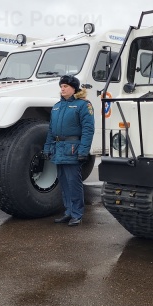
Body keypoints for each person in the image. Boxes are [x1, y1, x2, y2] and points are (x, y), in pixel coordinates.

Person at [43, 75, 95, 226]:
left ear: (74, 88)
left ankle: (77, 214)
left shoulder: (83, 105)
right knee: (64, 182)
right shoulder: (57, 106)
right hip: (59, 149)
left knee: (74, 183)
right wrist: (47, 148)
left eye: (65, 86)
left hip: (73, 149)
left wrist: (83, 151)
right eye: (61, 86)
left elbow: (88, 130)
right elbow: (51, 130)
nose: (62, 89)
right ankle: (68, 212)